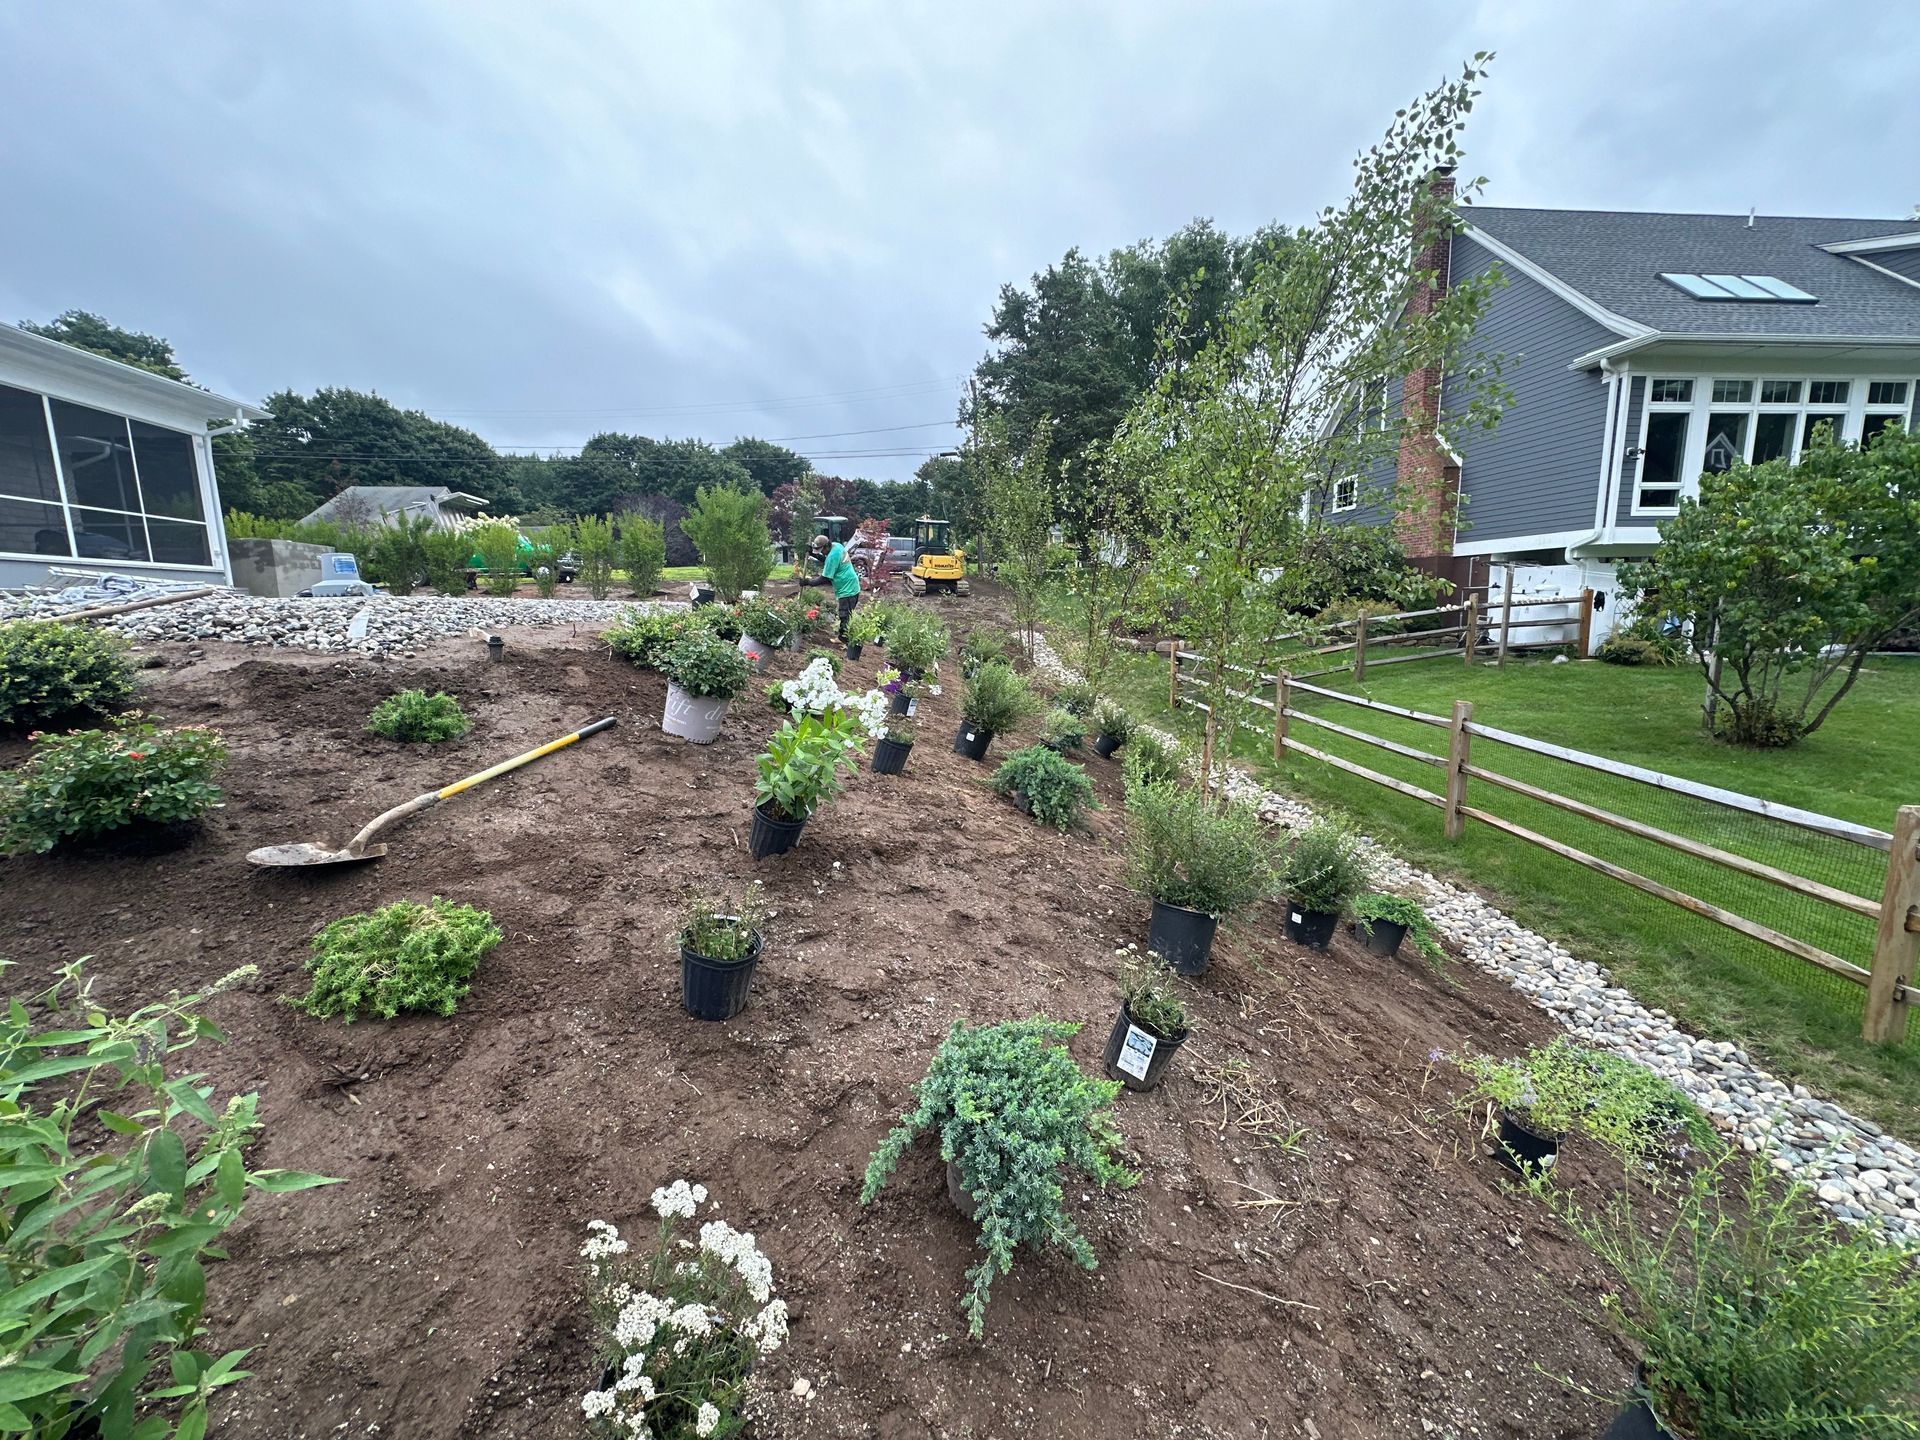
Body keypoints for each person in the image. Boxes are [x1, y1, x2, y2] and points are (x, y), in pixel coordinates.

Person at [811, 532, 862, 642]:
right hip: (852, 585)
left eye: (822, 551)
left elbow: (824, 578)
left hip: (847, 589)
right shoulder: (837, 546)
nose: (823, 553)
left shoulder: (832, 556)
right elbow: (828, 560)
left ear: (826, 546)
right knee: (847, 614)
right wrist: (813, 554)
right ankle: (845, 637)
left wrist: (808, 582)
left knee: (844, 614)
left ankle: (843, 639)